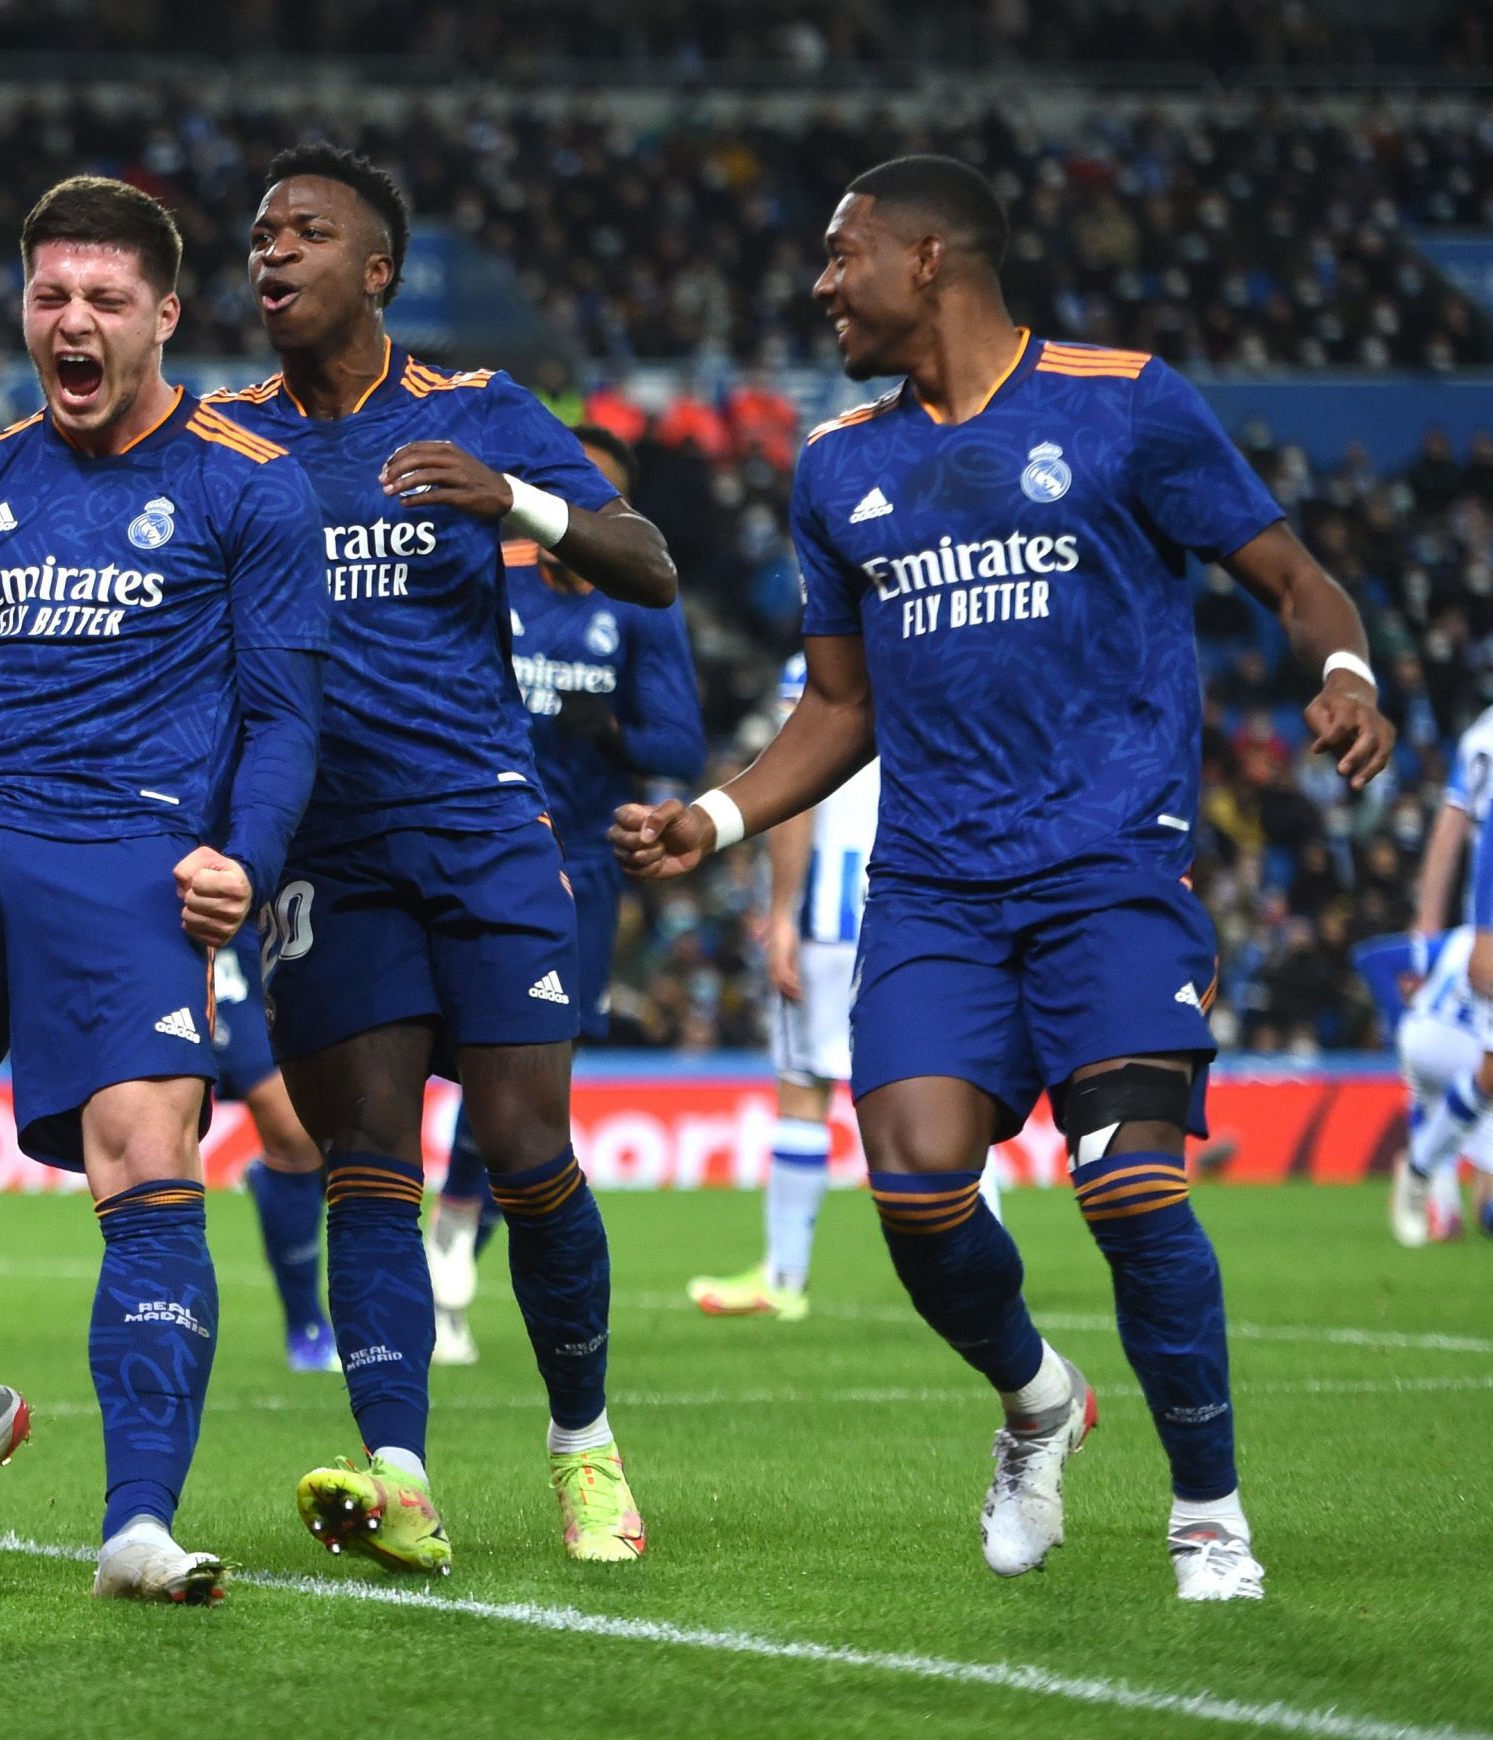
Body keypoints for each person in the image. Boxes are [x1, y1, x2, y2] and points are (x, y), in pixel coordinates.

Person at [0, 145, 678, 1572]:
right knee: (367, 1159)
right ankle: (401, 1473)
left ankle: (583, 1446)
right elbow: (62, 520)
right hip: (316, 849)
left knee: (526, 1147)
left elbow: (649, 563)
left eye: (307, 234)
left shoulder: (478, 413)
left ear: (378, 269)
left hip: (484, 821)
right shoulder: (226, 442)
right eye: (258, 236)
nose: (273, 255)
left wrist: (520, 507)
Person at [613, 154, 1393, 1602]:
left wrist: (1342, 671)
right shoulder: (840, 462)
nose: (819, 284)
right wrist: (714, 823)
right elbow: (839, 710)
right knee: (914, 1187)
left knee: (1131, 1191)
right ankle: (1037, 1400)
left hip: (1109, 874)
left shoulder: (1124, 401)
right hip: (936, 890)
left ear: (928, 262)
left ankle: (1208, 1512)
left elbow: (1293, 578)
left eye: (842, 256)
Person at [0, 175, 328, 1605]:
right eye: (48, 297)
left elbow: (283, 718)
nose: (70, 323)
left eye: (101, 300)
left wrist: (245, 859)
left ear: (162, 314)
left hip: (130, 857)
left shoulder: (246, 485)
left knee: (148, 1168)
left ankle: (137, 1524)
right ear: (25, 309)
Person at [426, 424, 705, 1365]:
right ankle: (426, 1252)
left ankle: (456, 1233)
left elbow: (681, 748)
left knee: (525, 1078)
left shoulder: (639, 608)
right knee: (455, 1055)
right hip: (473, 844)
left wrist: (613, 732)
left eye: (609, 507)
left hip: (579, 870)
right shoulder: (492, 580)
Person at [682, 656, 1001, 1323]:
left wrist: (783, 915)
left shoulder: (814, 664)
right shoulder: (932, 634)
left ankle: (783, 1275)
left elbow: (796, 795)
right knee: (948, 1085)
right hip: (927, 896)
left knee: (802, 1086)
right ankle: (986, 1270)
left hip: (836, 907)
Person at [208, 935, 338, 1369]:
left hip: (292, 920)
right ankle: (307, 1323)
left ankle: (279, 1186)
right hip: (210, 936)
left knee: (331, 1126)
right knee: (292, 1127)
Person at [1392, 702, 1493, 1243]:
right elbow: (1463, 831)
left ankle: (1424, 1167)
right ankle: (1424, 1166)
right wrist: (1475, 931)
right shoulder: (1488, 736)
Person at [1353, 927, 1492, 1242]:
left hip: (1418, 1038)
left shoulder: (1464, 938)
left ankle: (1438, 1211)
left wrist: (1396, 1024)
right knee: (1480, 1116)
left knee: (1436, 1118)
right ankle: (1428, 1175)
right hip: (1469, 1051)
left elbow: (1371, 958)